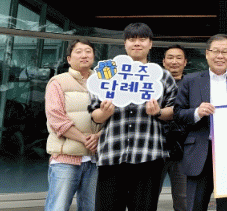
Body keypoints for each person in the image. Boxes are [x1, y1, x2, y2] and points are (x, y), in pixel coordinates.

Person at [89, 23, 178, 211]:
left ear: (150, 44)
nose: (137, 43)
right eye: (132, 39)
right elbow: (95, 115)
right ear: (125, 43)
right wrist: (104, 113)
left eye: (142, 39)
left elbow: (173, 111)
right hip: (112, 153)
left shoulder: (162, 76)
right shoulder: (106, 72)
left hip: (148, 154)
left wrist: (158, 112)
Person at [174, 34, 227, 211]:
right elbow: (178, 114)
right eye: (216, 51)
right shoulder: (191, 80)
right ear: (207, 53)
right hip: (200, 151)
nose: (220, 56)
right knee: (195, 205)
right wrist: (197, 112)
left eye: (225, 51)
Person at [45, 39, 100, 211]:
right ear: (69, 59)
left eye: (88, 51)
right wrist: (85, 139)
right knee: (58, 207)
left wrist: (99, 136)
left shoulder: (103, 83)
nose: (84, 55)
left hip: (95, 160)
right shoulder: (58, 82)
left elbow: (113, 117)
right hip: (66, 160)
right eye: (79, 51)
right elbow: (56, 120)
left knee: (91, 207)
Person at [160, 44, 189, 211]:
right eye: (170, 57)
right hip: (157, 147)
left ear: (185, 62)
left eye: (179, 58)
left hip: (183, 149)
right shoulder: (154, 84)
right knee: (148, 195)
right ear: (164, 62)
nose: (174, 61)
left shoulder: (191, 84)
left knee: (183, 199)